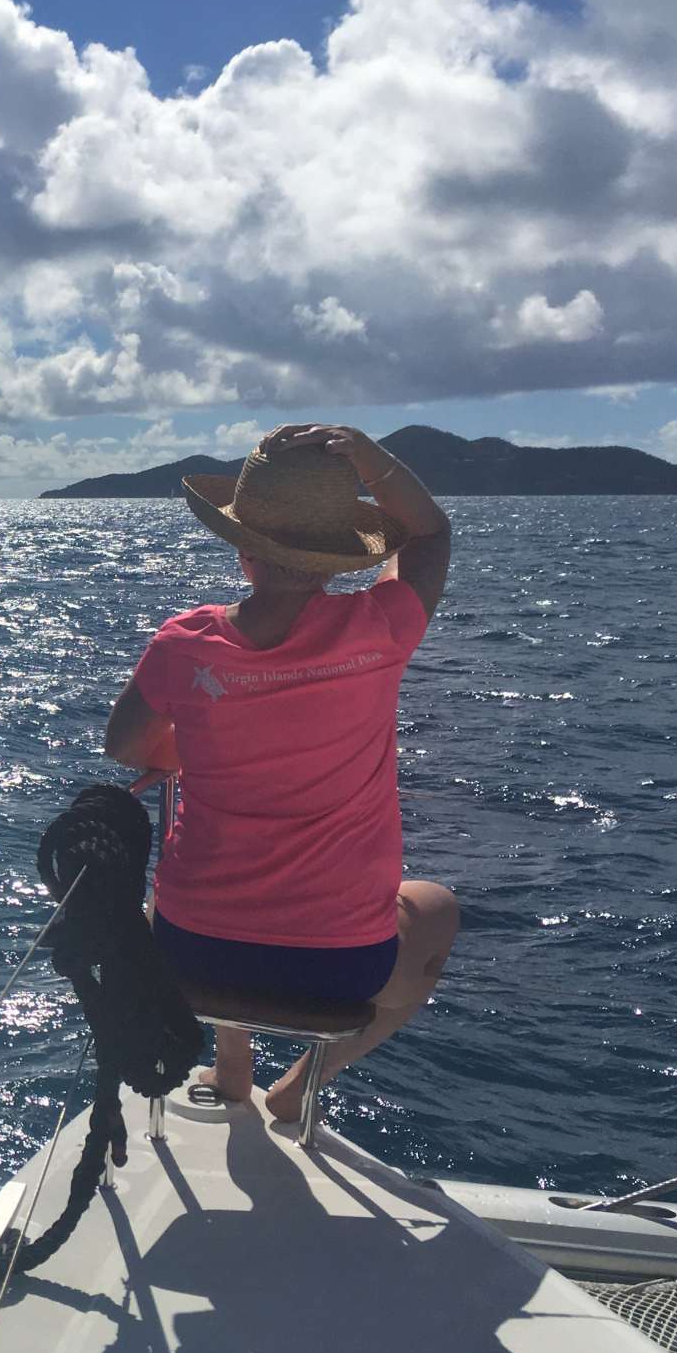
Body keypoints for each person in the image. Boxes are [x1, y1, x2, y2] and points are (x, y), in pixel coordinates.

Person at [103, 422, 459, 1123]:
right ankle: (303, 1081)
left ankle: (234, 1064)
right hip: (340, 969)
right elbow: (431, 536)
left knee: (191, 889)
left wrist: (184, 753)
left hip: (191, 956)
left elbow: (126, 744)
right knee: (436, 910)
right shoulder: (381, 628)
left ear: (243, 553)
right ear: (336, 560)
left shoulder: (184, 644)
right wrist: (368, 457)